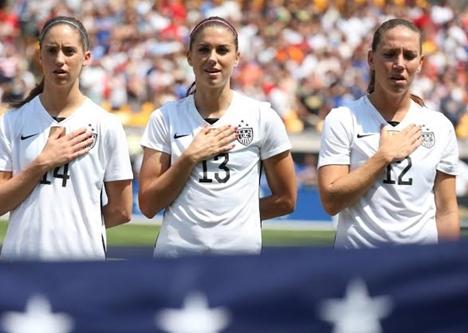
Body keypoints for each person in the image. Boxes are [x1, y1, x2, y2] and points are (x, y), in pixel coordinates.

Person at [138, 16, 297, 257]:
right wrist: (189, 157)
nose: (212, 58)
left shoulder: (262, 117)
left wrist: (231, 217)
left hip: (239, 261)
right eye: (203, 49)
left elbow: (286, 200)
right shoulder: (165, 118)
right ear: (189, 57)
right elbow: (148, 204)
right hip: (176, 259)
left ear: (236, 57)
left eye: (222, 50)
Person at [0, 16, 133, 261]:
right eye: (51, 51)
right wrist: (42, 163)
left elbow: (122, 210)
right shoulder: (12, 122)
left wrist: (76, 231)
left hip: (81, 271)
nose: (60, 60)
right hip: (20, 268)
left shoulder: (106, 124)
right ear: (40, 57)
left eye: (69, 51)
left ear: (86, 58)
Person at [317, 18, 459, 249]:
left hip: (419, 268)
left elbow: (446, 211)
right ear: (371, 59)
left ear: (421, 63)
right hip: (358, 267)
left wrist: (449, 269)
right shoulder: (343, 119)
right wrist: (383, 157)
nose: (399, 63)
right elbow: (331, 202)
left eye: (409, 56)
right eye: (390, 54)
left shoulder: (439, 126)